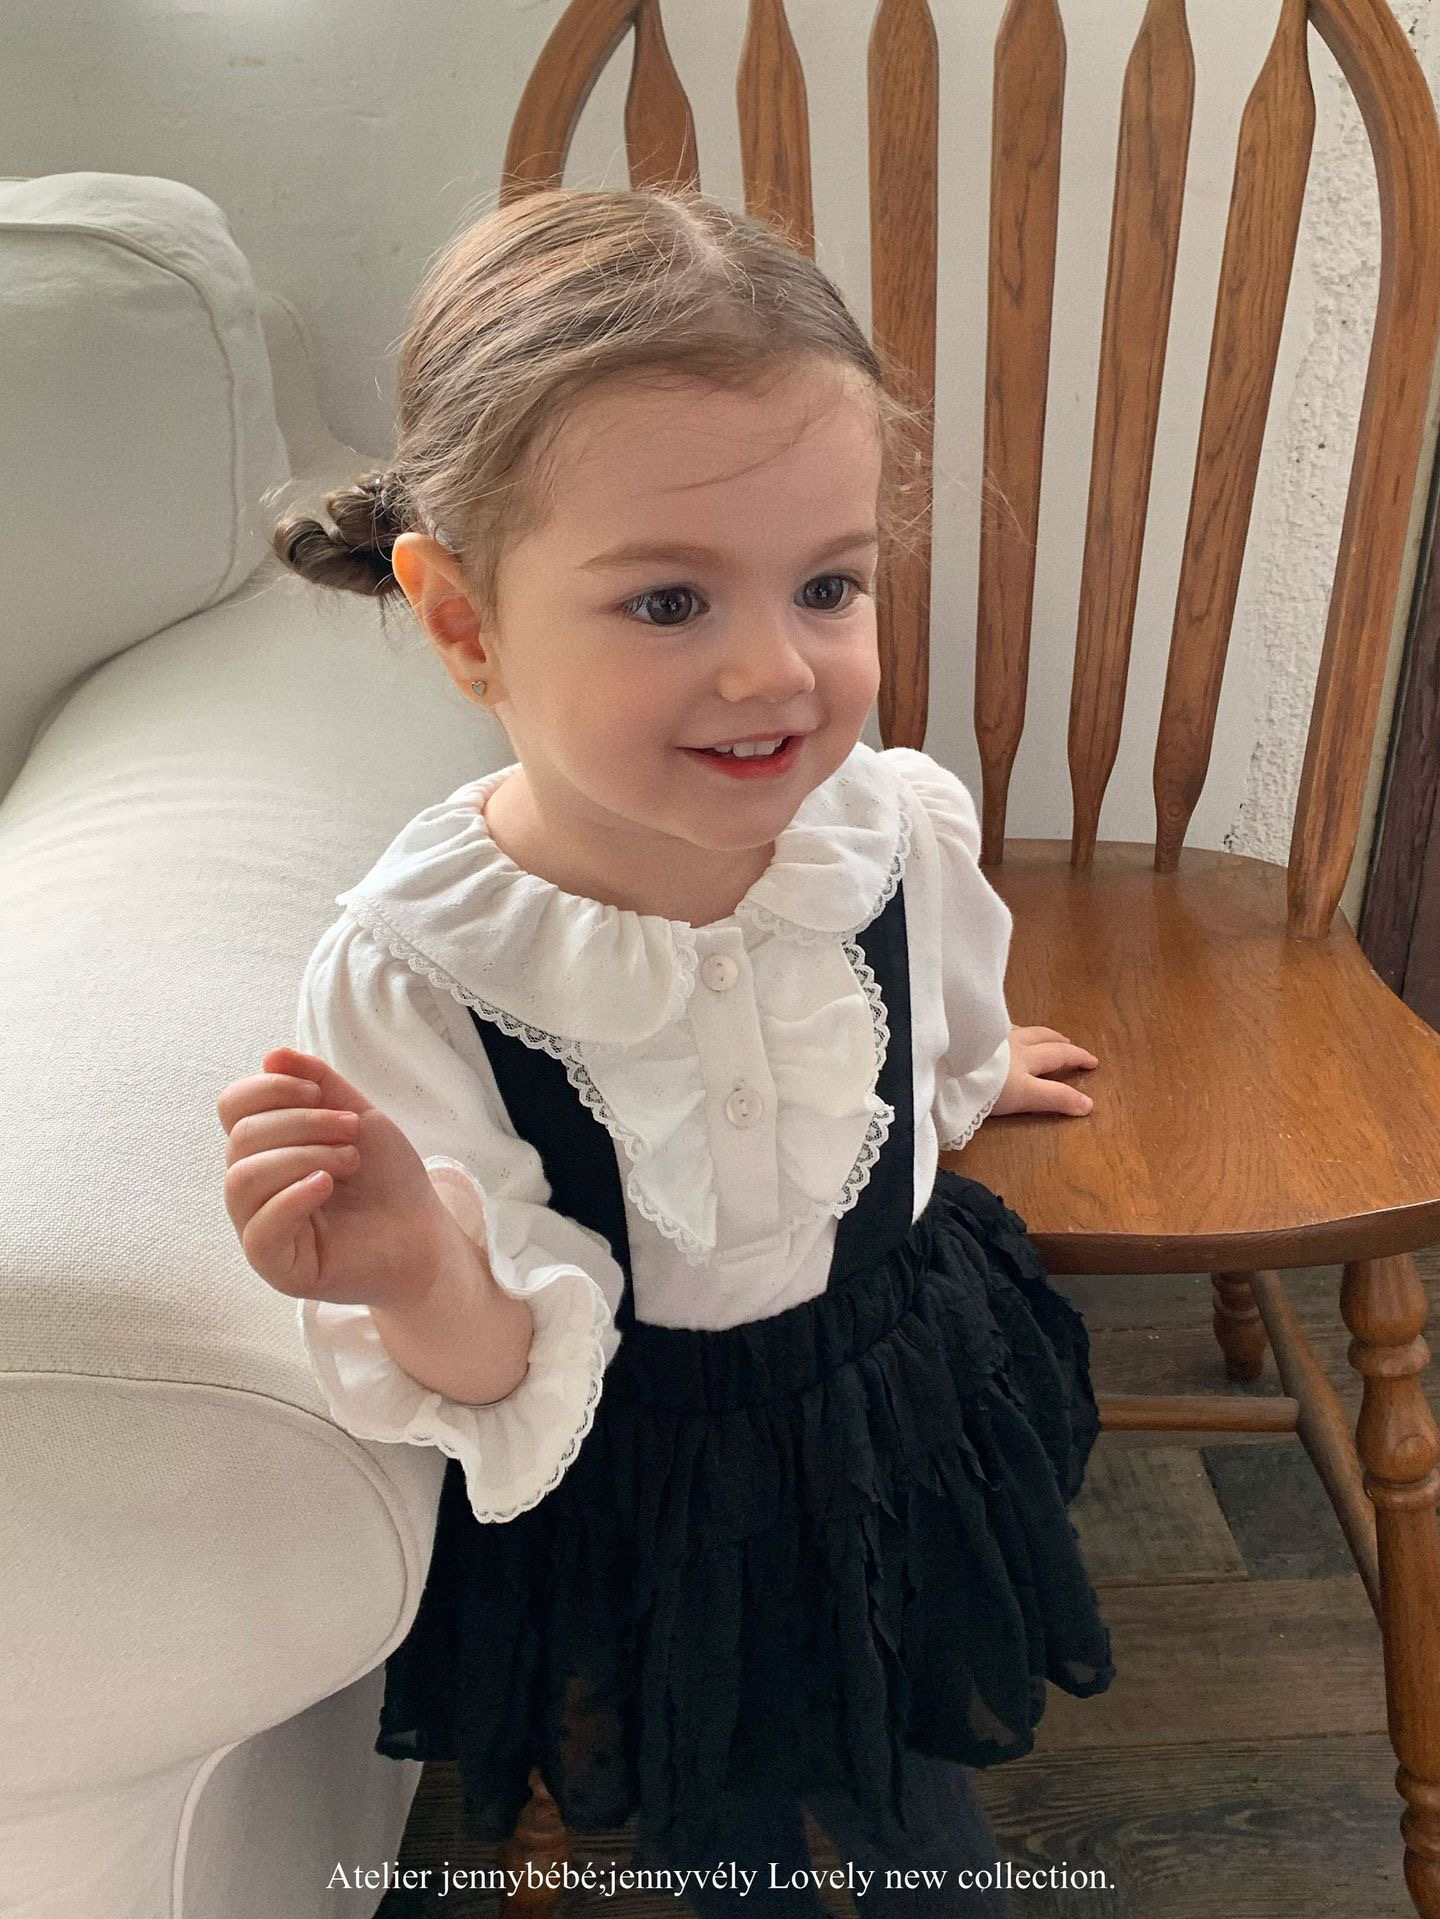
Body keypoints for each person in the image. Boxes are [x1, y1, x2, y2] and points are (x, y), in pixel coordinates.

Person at [216, 185, 1115, 1916]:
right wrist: (413, 1266)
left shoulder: (888, 827)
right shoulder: (423, 972)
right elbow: (494, 1365)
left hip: (891, 1386)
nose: (776, 671)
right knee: (722, 1817)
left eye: (828, 585)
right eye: (669, 603)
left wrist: (963, 1075)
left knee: (918, 1761)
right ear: (465, 623)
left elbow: (934, 1014)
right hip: (649, 1480)